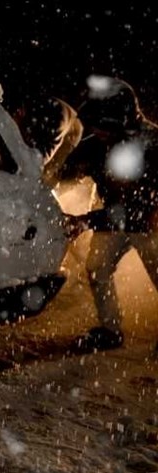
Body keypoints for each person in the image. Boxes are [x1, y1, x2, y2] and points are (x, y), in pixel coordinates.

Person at [50, 77, 158, 351]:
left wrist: (87, 220)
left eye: (102, 126)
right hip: (114, 218)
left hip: (149, 223)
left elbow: (138, 208)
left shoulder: (151, 146)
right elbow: (71, 168)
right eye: (95, 125)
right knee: (97, 268)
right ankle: (111, 331)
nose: (96, 132)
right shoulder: (99, 141)